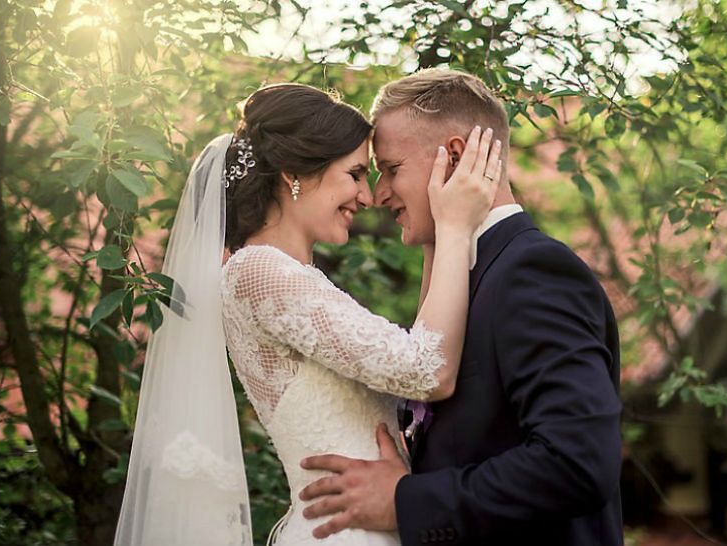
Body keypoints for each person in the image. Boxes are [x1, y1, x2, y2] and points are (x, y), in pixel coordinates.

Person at [114, 83, 502, 546]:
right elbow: (426, 370)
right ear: (294, 173)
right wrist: (455, 226)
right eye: (355, 174)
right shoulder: (260, 272)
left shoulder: (292, 276)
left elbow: (419, 349)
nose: (366, 195)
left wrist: (436, 230)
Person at [298, 69, 625, 546]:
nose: (378, 194)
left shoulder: (533, 272)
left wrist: (405, 500)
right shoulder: (463, 276)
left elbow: (577, 461)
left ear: (453, 157)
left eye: (391, 168)